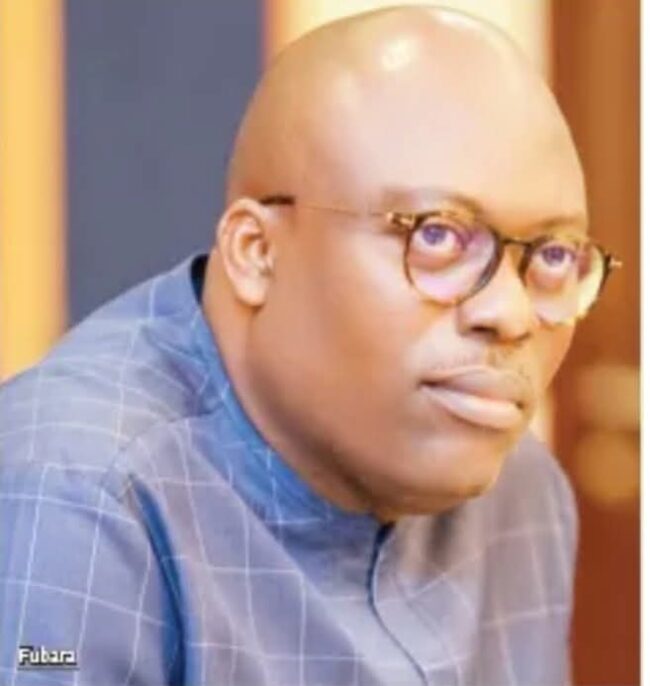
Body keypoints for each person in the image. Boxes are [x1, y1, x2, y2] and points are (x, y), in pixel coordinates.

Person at [0, 6, 620, 686]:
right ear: (257, 253)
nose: (510, 312)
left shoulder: (522, 494)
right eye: (437, 236)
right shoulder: (78, 496)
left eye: (554, 255)